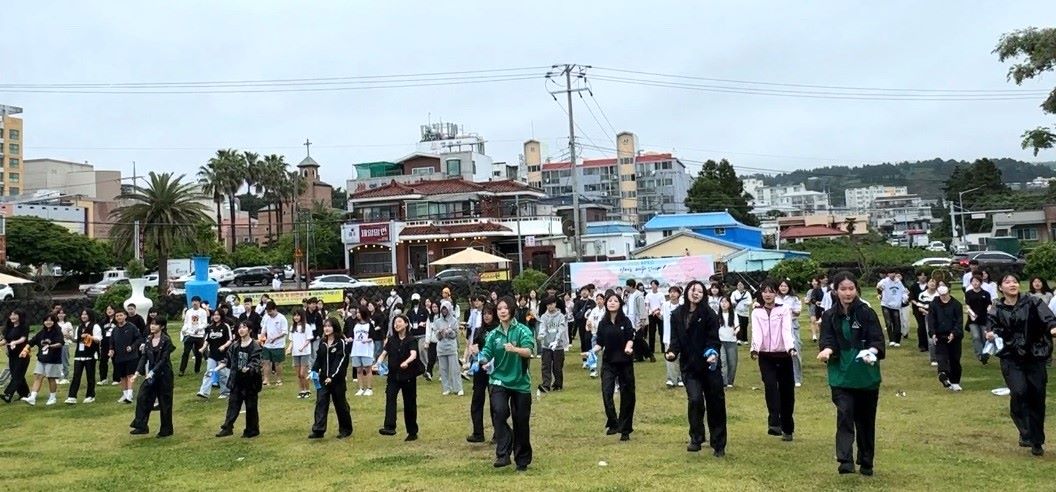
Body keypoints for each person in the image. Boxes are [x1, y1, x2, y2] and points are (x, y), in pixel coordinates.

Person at [817, 271, 885, 476]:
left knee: (865, 420)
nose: (847, 293)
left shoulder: (866, 312)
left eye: (851, 288)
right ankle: (845, 460)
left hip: (866, 377)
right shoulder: (829, 315)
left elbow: (877, 340)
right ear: (835, 291)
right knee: (845, 414)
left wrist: (871, 352)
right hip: (841, 376)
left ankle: (866, 462)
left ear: (856, 289)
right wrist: (827, 350)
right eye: (843, 289)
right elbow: (827, 339)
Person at [985, 273, 1056, 456]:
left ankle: (1036, 441)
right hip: (1011, 358)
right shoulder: (997, 308)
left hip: (1034, 356)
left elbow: (1047, 318)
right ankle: (1025, 432)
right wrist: (991, 334)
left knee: (1037, 398)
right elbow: (991, 327)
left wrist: (1052, 327)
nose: (1012, 284)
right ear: (1001, 287)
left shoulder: (1032, 302)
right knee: (1019, 392)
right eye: (1007, 282)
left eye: (1015, 281)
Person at [666, 280, 727, 457]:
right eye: (693, 290)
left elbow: (713, 339)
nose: (696, 293)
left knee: (715, 403)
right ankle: (696, 438)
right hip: (689, 367)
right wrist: (671, 352)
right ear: (687, 292)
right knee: (695, 400)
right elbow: (675, 340)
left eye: (700, 291)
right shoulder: (677, 314)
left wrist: (712, 352)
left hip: (709, 366)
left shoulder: (709, 313)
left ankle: (719, 444)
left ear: (704, 294)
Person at [479, 296, 535, 471]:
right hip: (498, 380)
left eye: (505, 308)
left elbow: (529, 351)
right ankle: (502, 455)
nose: (502, 311)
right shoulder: (493, 334)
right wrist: (484, 361)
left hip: (520, 382)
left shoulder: (523, 331)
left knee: (521, 421)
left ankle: (522, 460)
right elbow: (486, 352)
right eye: (499, 309)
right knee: (499, 412)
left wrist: (515, 349)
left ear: (511, 310)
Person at [751, 280, 797, 441]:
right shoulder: (756, 311)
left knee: (786, 392)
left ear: (776, 293)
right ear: (761, 293)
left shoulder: (784, 309)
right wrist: (755, 348)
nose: (768, 294)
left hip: (784, 355)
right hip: (765, 356)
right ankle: (774, 422)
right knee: (770, 385)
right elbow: (756, 332)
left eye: (771, 291)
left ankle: (787, 427)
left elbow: (786, 330)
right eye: (765, 291)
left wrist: (790, 347)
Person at [589, 290, 637, 441]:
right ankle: (613, 422)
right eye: (609, 300)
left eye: (615, 301)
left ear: (620, 303)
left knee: (627, 395)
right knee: (606, 392)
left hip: (625, 362)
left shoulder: (626, 321)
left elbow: (630, 338)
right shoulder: (603, 323)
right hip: (609, 362)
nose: (612, 303)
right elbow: (599, 343)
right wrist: (592, 352)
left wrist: (629, 348)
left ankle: (625, 429)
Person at [375, 314, 421, 441]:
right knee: (390, 398)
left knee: (409, 404)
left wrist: (407, 362)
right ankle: (389, 427)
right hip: (393, 376)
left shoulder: (411, 339)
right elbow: (383, 354)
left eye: (399, 322)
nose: (397, 324)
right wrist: (378, 363)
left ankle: (412, 432)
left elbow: (414, 354)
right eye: (395, 322)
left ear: (406, 324)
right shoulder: (391, 340)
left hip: (408, 376)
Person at [215, 321, 263, 438]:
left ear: (250, 330)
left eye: (244, 327)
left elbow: (256, 362)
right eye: (240, 328)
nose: (241, 329)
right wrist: (218, 367)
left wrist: (249, 368)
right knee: (233, 404)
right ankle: (227, 427)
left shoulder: (255, 346)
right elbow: (228, 359)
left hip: (250, 381)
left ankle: (252, 430)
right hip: (237, 380)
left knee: (251, 406)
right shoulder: (235, 345)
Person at [129, 317, 175, 438]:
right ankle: (141, 425)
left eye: (155, 324)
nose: (152, 326)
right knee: (142, 397)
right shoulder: (148, 339)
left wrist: (153, 371)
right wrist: (137, 373)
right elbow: (144, 357)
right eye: (151, 324)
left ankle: (166, 430)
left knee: (164, 402)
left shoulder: (166, 340)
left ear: (162, 327)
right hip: (152, 375)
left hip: (164, 375)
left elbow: (164, 360)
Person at [309, 318, 353, 439]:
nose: (326, 328)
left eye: (329, 326)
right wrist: (313, 371)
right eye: (325, 326)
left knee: (340, 404)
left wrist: (332, 376)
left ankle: (345, 429)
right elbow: (319, 359)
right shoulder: (323, 343)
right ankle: (318, 429)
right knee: (321, 402)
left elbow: (341, 362)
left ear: (335, 327)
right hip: (323, 379)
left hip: (337, 380)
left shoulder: (341, 343)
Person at [466, 303, 498, 443]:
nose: (486, 316)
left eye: (489, 313)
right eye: (484, 313)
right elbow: (475, 344)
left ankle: (498, 433)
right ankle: (478, 432)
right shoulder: (479, 330)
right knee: (477, 400)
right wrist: (473, 350)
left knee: (495, 402)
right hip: (480, 369)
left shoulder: (498, 330)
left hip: (493, 368)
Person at [19, 315, 65, 406]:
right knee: (38, 376)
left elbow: (60, 343)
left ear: (54, 322)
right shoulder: (42, 332)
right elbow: (32, 342)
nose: (48, 322)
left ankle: (52, 398)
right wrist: (25, 350)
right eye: (46, 320)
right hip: (41, 359)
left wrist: (50, 346)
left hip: (53, 360)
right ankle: (32, 397)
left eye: (50, 320)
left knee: (51, 378)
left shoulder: (57, 331)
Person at [927, 285, 964, 391]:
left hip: (954, 336)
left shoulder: (956, 305)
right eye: (941, 295)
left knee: (954, 359)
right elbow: (931, 320)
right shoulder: (934, 304)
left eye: (945, 295)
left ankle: (955, 382)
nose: (943, 297)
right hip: (940, 335)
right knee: (941, 357)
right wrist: (932, 333)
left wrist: (954, 333)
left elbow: (959, 321)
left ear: (949, 292)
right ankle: (943, 375)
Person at [65, 309, 103, 404]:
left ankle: (90, 395)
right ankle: (72, 396)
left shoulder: (95, 326)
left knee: (90, 375)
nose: (83, 316)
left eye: (86, 314)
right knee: (76, 375)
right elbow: (77, 340)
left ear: (90, 315)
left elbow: (98, 339)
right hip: (79, 354)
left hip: (90, 354)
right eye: (82, 314)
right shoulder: (79, 327)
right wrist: (69, 337)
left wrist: (89, 336)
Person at [197, 310, 233, 400]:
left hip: (223, 355)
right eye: (214, 315)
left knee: (223, 374)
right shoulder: (210, 327)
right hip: (212, 354)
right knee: (209, 372)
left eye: (218, 315)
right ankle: (204, 392)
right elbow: (207, 340)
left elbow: (230, 339)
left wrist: (224, 346)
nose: (216, 316)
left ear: (221, 316)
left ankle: (226, 391)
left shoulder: (225, 326)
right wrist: (203, 348)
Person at [536, 296, 569, 393]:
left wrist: (556, 341)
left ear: (555, 304)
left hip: (558, 346)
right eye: (548, 305)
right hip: (546, 346)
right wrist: (541, 335)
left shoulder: (560, 316)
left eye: (551, 304)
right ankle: (546, 385)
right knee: (545, 366)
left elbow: (561, 329)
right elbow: (542, 327)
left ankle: (558, 384)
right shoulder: (544, 316)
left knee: (557, 367)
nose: (550, 306)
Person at [111, 310, 142, 404]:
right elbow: (111, 342)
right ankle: (124, 394)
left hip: (131, 356)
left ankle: (130, 394)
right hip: (119, 357)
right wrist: (111, 350)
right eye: (117, 316)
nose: (119, 317)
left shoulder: (131, 327)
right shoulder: (115, 329)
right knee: (122, 376)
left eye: (121, 315)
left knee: (130, 375)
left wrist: (132, 347)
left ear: (125, 316)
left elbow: (139, 338)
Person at [777, 279, 804, 387]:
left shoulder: (794, 298)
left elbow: (798, 312)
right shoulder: (775, 298)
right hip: (778, 326)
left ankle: (797, 378)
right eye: (781, 286)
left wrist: (790, 310)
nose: (783, 288)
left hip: (792, 325)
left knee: (795, 350)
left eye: (785, 286)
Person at [1, 310, 31, 403]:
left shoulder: (24, 327)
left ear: (20, 316)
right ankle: (25, 394)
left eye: (15, 315)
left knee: (17, 375)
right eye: (11, 314)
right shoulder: (9, 328)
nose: (12, 316)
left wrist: (15, 342)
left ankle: (8, 394)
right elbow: (5, 340)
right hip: (12, 355)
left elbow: (23, 339)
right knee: (18, 375)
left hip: (23, 354)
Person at [435, 300, 463, 396]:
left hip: (451, 347)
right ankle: (446, 388)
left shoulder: (454, 321)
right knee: (443, 369)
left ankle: (458, 388)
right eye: (442, 309)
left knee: (455, 369)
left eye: (445, 309)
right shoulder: (437, 321)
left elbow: (455, 334)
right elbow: (437, 337)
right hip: (441, 348)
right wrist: (440, 333)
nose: (444, 311)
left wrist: (449, 332)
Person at [964, 275, 993, 364]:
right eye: (973, 281)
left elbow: (989, 304)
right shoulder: (968, 293)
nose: (975, 283)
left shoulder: (986, 293)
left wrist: (989, 311)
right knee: (976, 337)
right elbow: (967, 305)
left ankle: (985, 354)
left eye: (977, 281)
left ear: (981, 283)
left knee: (985, 338)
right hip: (973, 319)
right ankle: (979, 354)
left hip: (984, 318)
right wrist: (971, 313)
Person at [260, 301, 288, 386]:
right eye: (268, 312)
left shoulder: (282, 318)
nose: (269, 313)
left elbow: (284, 332)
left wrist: (274, 338)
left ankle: (279, 379)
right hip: (267, 344)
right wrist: (262, 338)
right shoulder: (267, 317)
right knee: (266, 362)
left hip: (278, 345)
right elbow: (263, 329)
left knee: (277, 363)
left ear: (275, 309)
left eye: (270, 311)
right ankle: (266, 379)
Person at [349, 308, 376, 397]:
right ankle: (360, 388)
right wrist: (350, 339)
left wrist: (367, 340)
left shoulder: (369, 325)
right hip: (356, 350)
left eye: (359, 313)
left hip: (366, 350)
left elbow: (373, 336)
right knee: (359, 370)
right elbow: (352, 335)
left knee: (368, 369)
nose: (357, 314)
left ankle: (369, 388)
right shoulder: (355, 325)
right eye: (357, 313)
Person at [288, 310, 314, 399]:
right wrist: (289, 348)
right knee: (298, 374)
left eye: (298, 315)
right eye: (294, 315)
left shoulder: (306, 326)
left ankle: (308, 390)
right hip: (295, 353)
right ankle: (301, 390)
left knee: (303, 373)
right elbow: (291, 340)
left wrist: (303, 347)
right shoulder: (292, 327)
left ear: (302, 316)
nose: (296, 317)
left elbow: (308, 339)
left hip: (305, 352)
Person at [661, 286, 684, 388]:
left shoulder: (682, 306)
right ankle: (670, 378)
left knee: (680, 358)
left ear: (679, 294)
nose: (672, 294)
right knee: (669, 357)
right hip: (668, 335)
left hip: (680, 336)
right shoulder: (665, 305)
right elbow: (662, 316)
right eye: (670, 292)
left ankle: (680, 378)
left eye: (675, 292)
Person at [876, 270, 906, 347]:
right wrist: (880, 287)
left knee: (897, 323)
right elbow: (879, 286)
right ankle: (891, 340)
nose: (891, 274)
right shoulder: (884, 281)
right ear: (888, 274)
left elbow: (904, 291)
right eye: (890, 273)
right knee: (888, 322)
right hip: (886, 304)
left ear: (895, 274)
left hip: (896, 305)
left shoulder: (898, 282)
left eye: (893, 273)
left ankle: (897, 340)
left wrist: (904, 299)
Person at [180, 297, 208, 376]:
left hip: (199, 335)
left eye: (196, 301)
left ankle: (197, 369)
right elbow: (186, 322)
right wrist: (184, 329)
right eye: (193, 301)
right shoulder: (189, 311)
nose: (194, 303)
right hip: (190, 334)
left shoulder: (203, 312)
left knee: (198, 353)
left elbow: (204, 323)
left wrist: (199, 329)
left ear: (199, 302)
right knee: (186, 352)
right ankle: (182, 370)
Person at [623, 279, 650, 362]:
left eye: (627, 285)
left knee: (639, 339)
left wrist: (642, 321)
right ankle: (639, 356)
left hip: (638, 321)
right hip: (631, 320)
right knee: (635, 339)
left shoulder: (639, 295)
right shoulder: (629, 295)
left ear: (631, 286)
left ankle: (649, 354)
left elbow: (642, 308)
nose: (626, 287)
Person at [915, 278, 940, 366]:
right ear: (927, 284)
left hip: (940, 319)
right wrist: (929, 314)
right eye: (930, 282)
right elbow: (920, 307)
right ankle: (933, 358)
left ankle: (941, 356)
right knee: (931, 338)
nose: (932, 284)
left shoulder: (939, 294)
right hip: (928, 318)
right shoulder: (922, 294)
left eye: (934, 282)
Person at [717, 296, 740, 388]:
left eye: (726, 302)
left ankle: (730, 381)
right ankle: (724, 381)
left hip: (731, 341)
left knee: (732, 362)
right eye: (722, 302)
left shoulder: (734, 314)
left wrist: (736, 331)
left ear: (729, 304)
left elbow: (738, 326)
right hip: (721, 341)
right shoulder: (717, 315)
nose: (724, 304)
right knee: (723, 361)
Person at [907, 271, 930, 353]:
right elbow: (911, 298)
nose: (923, 277)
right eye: (921, 275)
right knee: (921, 326)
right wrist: (918, 304)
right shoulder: (914, 286)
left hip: (929, 309)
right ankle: (922, 345)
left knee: (929, 326)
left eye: (925, 275)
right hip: (917, 309)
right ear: (918, 277)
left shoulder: (929, 285)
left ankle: (930, 344)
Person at [645, 280, 666, 362]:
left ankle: (663, 349)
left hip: (659, 314)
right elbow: (647, 305)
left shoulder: (661, 294)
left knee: (661, 332)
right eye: (652, 284)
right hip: (651, 315)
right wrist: (651, 312)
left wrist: (657, 311)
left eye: (654, 284)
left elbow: (663, 304)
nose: (653, 286)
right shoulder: (648, 295)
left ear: (657, 286)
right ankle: (651, 349)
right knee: (651, 332)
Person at [98, 305, 116, 385]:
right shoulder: (103, 321)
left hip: (115, 344)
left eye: (111, 309)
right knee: (103, 361)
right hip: (105, 343)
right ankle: (103, 379)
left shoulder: (117, 320)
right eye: (107, 309)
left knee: (115, 361)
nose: (109, 310)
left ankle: (116, 379)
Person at [731, 281, 753, 346]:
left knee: (745, 325)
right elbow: (732, 300)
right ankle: (738, 339)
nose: (740, 286)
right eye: (739, 285)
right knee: (738, 325)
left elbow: (750, 301)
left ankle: (745, 339)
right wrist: (734, 302)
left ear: (743, 286)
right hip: (737, 311)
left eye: (741, 285)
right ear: (737, 286)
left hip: (745, 312)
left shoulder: (747, 293)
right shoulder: (734, 293)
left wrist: (745, 303)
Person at [56, 308, 74, 385]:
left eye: (62, 313)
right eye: (59, 313)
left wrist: (67, 335)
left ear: (65, 314)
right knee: (56, 361)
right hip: (56, 344)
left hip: (64, 344)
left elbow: (71, 335)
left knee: (64, 360)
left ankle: (65, 377)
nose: (60, 315)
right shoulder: (54, 323)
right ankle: (57, 377)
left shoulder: (68, 324)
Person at [424, 301, 441, 381]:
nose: (434, 308)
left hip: (441, 341)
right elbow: (428, 330)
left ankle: (442, 374)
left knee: (441, 358)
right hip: (433, 341)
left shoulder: (442, 317)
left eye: (436, 307)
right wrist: (427, 341)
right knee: (431, 358)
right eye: (433, 307)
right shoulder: (430, 317)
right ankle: (429, 373)